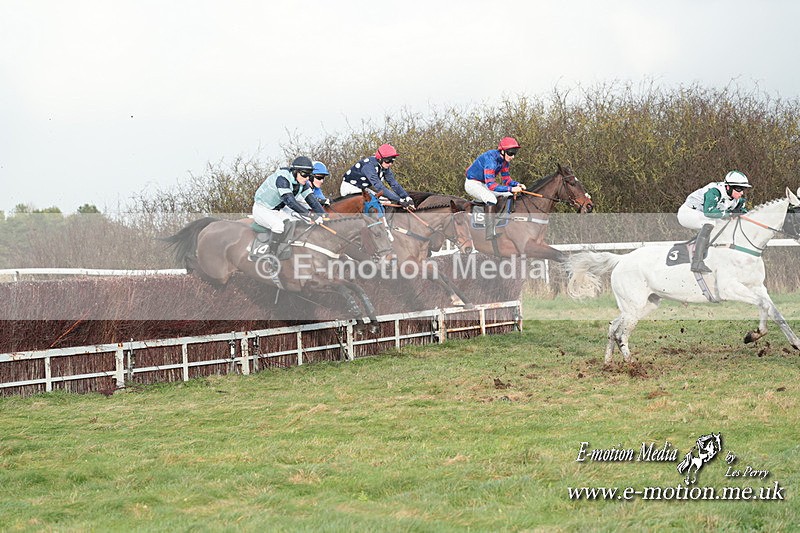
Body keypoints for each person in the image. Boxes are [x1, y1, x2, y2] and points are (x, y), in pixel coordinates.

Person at [678, 170, 751, 273]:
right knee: (710, 222)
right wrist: (729, 214)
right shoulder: (714, 191)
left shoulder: (737, 200)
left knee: (722, 225)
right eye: (739, 189)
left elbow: (743, 214)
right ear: (728, 187)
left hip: (701, 215)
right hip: (687, 213)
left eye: (743, 189)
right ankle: (697, 262)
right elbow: (709, 213)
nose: (742, 193)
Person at [252, 156, 326, 255]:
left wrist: (324, 215)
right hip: (262, 209)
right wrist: (311, 215)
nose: (307, 178)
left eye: (309, 175)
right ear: (295, 171)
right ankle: (271, 255)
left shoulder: (302, 182)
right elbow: (290, 201)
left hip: (278, 210)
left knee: (300, 223)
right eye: (304, 174)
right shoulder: (282, 179)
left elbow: (312, 200)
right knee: (278, 226)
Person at [465, 136, 527, 239]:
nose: (513, 157)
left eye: (514, 153)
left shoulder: (505, 162)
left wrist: (517, 184)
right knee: (491, 199)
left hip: (483, 184)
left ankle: (502, 221)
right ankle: (489, 233)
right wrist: (511, 188)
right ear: (502, 151)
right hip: (472, 184)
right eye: (511, 153)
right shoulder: (491, 160)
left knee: (508, 194)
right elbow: (491, 185)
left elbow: (506, 180)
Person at [340, 143, 415, 209]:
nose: (390, 164)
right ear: (380, 159)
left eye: (392, 160)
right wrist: (399, 200)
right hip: (350, 188)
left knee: (387, 202)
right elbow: (379, 187)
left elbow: (393, 184)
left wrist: (406, 197)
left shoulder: (384, 167)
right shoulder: (369, 167)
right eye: (388, 160)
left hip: (362, 189)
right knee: (375, 204)